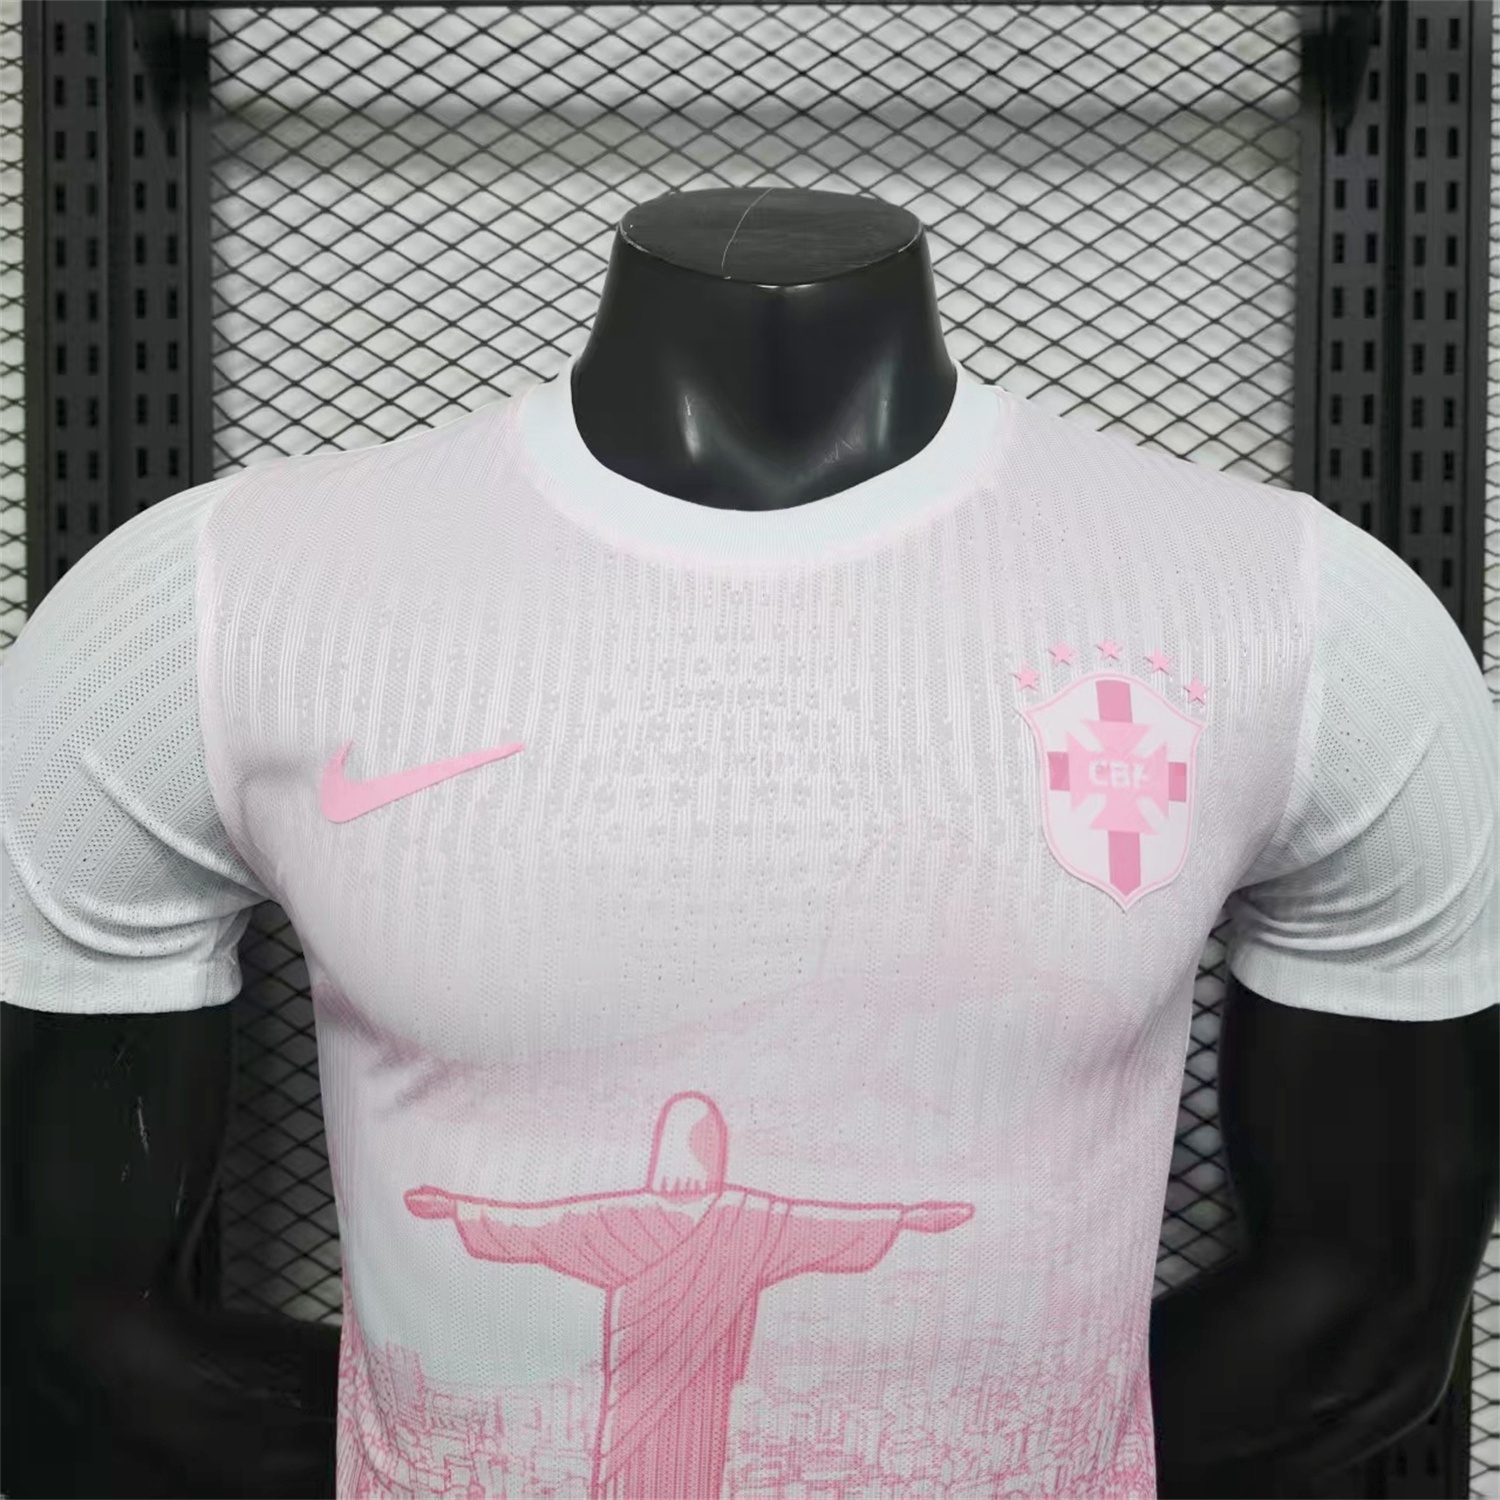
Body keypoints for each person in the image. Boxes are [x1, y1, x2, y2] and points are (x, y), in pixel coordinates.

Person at [3, 186, 1496, 1500]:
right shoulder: (212, 608)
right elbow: (72, 1323)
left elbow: (1369, 1316)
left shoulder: (1301, 620)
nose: (688, 1168)